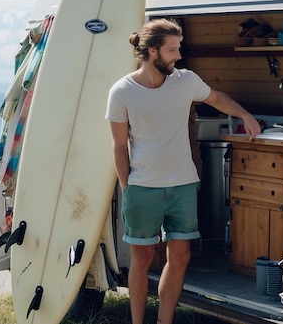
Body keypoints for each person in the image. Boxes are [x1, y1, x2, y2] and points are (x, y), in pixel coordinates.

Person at [105, 18, 261, 324]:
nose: (178, 55)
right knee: (143, 260)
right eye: (172, 49)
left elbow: (216, 98)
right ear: (152, 51)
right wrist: (128, 188)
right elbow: (118, 146)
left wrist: (245, 114)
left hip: (183, 186)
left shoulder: (185, 80)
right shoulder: (122, 92)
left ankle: (165, 321)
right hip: (143, 188)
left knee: (181, 257)